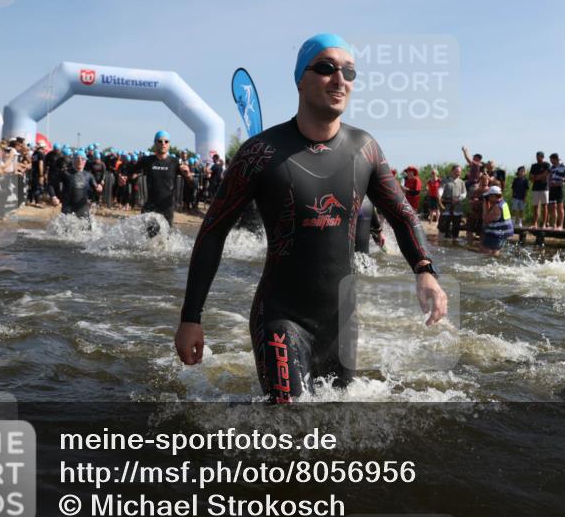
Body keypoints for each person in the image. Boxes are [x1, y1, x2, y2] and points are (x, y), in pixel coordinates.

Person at [174, 33, 448, 403]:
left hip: (342, 324)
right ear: (300, 80)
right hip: (281, 317)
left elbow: (402, 215)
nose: (339, 79)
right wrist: (191, 317)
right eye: (326, 68)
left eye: (349, 72)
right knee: (289, 423)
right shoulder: (260, 153)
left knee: (336, 424)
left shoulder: (365, 149)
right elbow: (213, 233)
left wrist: (425, 270)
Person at [131, 131, 191, 226]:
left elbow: (192, 184)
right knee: (147, 234)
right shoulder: (147, 160)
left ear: (169, 144)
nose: (163, 143)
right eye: (160, 141)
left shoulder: (175, 162)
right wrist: (124, 177)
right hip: (151, 206)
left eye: (166, 141)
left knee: (166, 234)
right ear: (155, 143)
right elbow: (130, 172)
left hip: (167, 208)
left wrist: (188, 175)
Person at [59, 152, 103, 220]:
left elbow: (96, 189)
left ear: (85, 161)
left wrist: (99, 189)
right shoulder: (65, 173)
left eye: (82, 159)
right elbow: (51, 185)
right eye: (77, 159)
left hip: (83, 209)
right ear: (73, 160)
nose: (80, 161)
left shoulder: (88, 175)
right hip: (68, 208)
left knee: (87, 225)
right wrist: (54, 196)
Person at [481, 185, 514, 256]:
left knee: (485, 252)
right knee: (495, 252)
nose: (488, 198)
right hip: (502, 234)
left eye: (489, 196)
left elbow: (486, 220)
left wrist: (485, 204)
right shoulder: (504, 203)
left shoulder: (496, 207)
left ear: (493, 196)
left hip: (496, 234)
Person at [439, 164, 466, 240]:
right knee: (443, 228)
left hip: (457, 208)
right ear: (452, 171)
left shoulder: (461, 182)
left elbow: (464, 193)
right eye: (457, 171)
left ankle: (454, 243)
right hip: (446, 207)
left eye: (459, 172)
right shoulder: (445, 180)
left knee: (456, 229)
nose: (458, 173)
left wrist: (458, 199)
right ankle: (443, 243)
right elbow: (441, 189)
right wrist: (439, 196)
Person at [547, 153, 565, 229]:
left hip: (559, 188)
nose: (550, 161)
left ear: (555, 159)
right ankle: (554, 225)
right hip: (552, 188)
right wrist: (549, 182)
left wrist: (560, 182)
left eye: (551, 160)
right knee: (552, 206)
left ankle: (561, 225)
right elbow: (549, 176)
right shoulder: (551, 167)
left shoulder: (564, 166)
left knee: (560, 207)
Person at [528, 151, 550, 228]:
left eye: (539, 157)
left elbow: (546, 174)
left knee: (545, 206)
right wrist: (539, 177)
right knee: (535, 206)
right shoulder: (534, 166)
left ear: (542, 157)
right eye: (536, 156)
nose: (537, 158)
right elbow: (530, 177)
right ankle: (535, 223)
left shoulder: (547, 164)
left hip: (544, 188)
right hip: (535, 188)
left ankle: (544, 223)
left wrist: (536, 177)